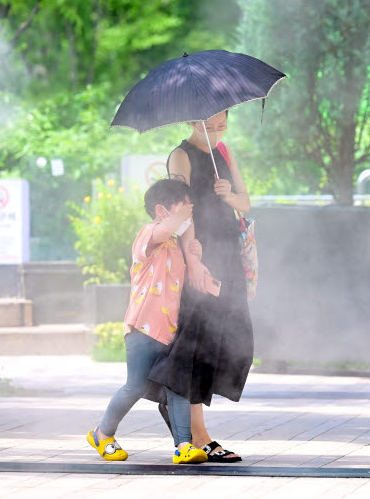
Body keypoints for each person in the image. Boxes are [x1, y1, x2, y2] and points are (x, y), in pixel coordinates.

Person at [147, 110, 253, 463]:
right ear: (191, 121)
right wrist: (194, 262)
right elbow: (182, 211)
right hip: (201, 252)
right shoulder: (180, 156)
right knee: (198, 341)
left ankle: (179, 409)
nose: (217, 129)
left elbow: (246, 202)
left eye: (222, 123)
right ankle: (198, 432)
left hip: (228, 252)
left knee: (228, 338)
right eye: (210, 125)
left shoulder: (223, 152)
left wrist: (227, 195)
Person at [86, 178, 217, 464]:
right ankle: (102, 434)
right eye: (183, 209)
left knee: (177, 387)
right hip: (143, 329)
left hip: (170, 333)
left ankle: (183, 446)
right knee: (135, 386)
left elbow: (186, 242)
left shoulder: (179, 246)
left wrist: (191, 243)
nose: (188, 216)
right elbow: (167, 229)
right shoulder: (148, 236)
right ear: (161, 210)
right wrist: (180, 220)